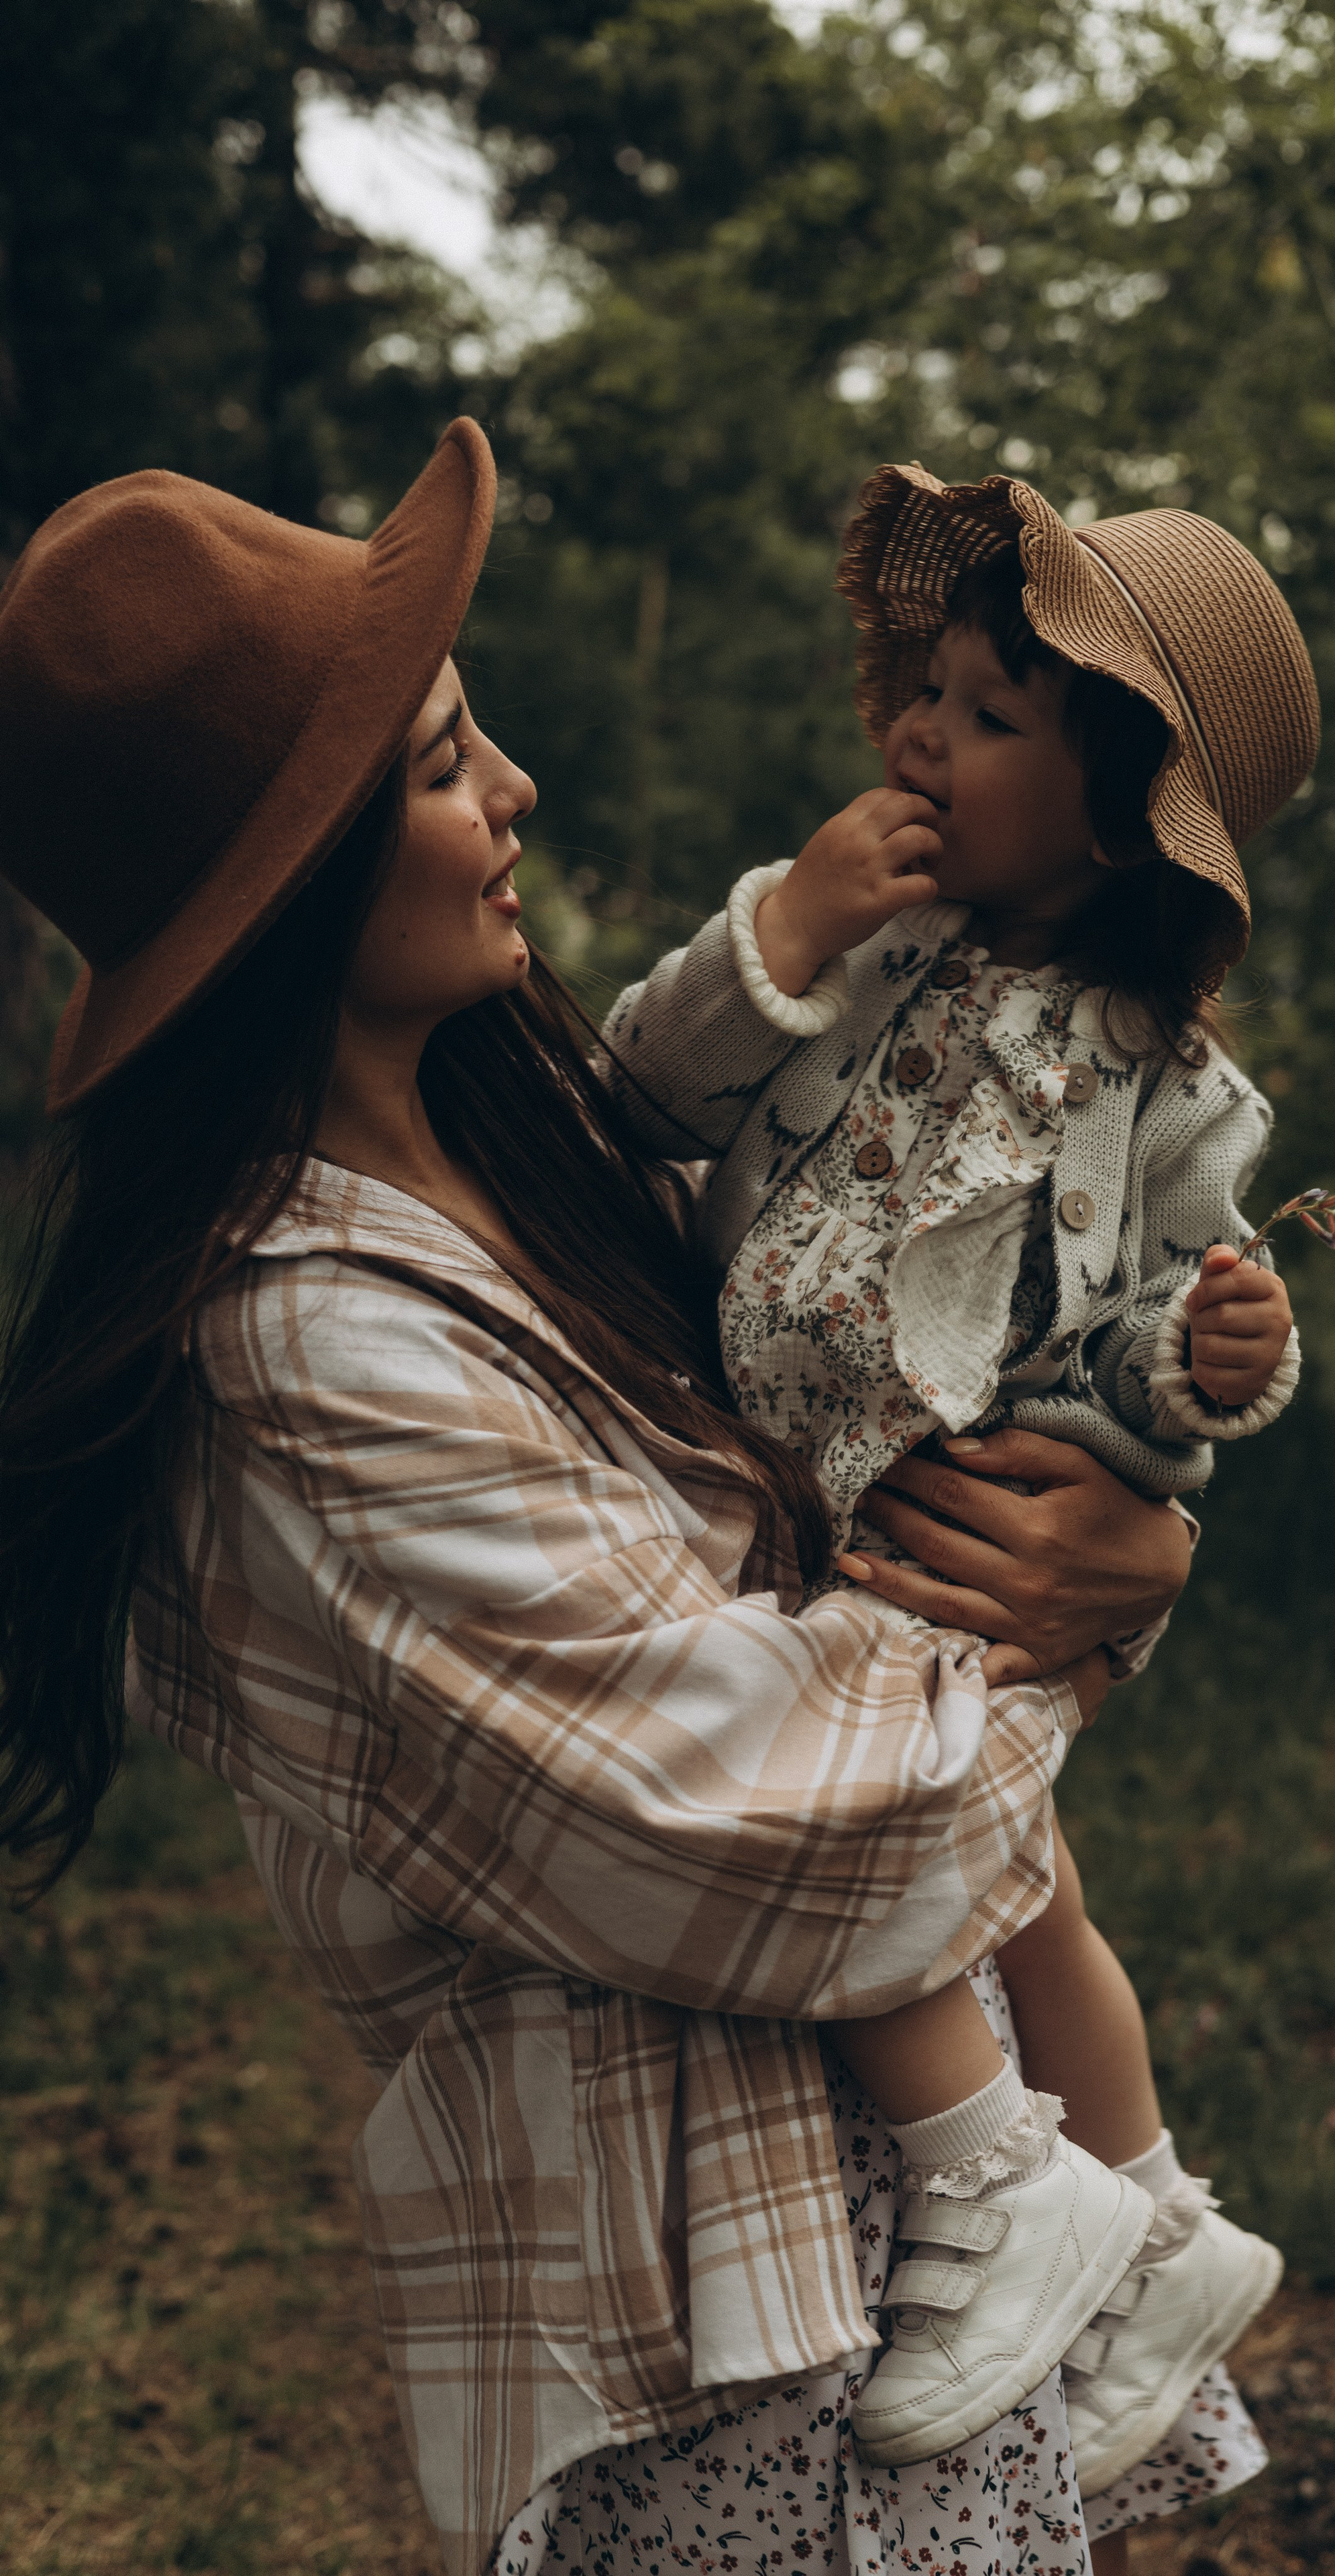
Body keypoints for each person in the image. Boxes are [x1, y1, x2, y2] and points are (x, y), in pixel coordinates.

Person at [0, 423, 1261, 2576]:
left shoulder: (546, 1177)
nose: (515, 796)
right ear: (292, 876)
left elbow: (878, 1389)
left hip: (894, 2268)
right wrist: (1077, 1617)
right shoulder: (308, 1349)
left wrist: (1129, 1525)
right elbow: (784, 1808)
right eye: (438, 765)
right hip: (718, 2358)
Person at [603, 463, 1319, 2481]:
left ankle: (998, 2192)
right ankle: (1158, 2226)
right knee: (1012, 1889)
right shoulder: (863, 940)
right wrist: (793, 920)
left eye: (988, 715)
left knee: (886, 1846)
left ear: (1114, 817)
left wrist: (1220, 1363)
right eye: (924, 688)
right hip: (796, 1490)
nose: (918, 733)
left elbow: (1166, 1334)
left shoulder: (1170, 1091)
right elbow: (643, 1095)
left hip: (961, 1524)